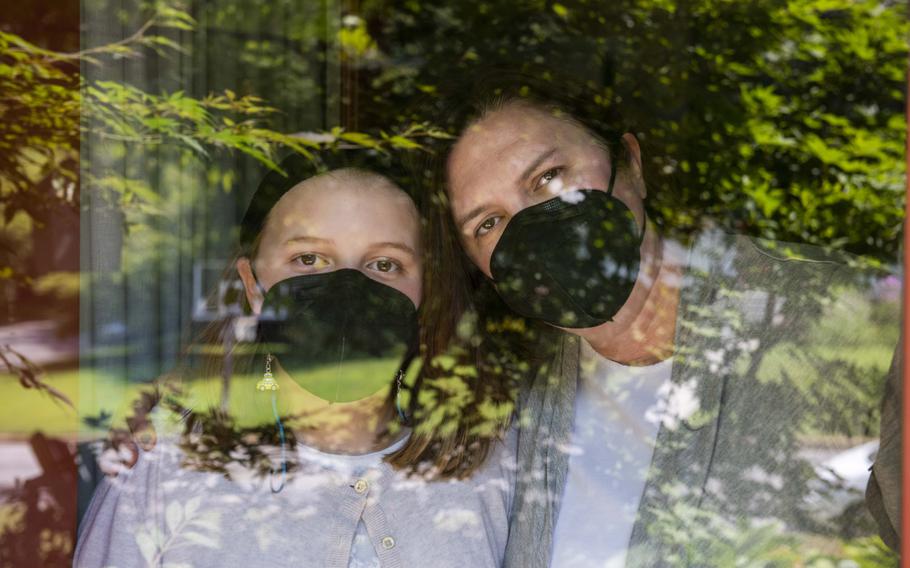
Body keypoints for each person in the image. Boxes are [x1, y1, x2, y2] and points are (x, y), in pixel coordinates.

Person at [425, 74, 899, 567]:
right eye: (488, 223)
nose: (530, 226)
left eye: (549, 177)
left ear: (630, 163)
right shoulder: (506, 406)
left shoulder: (851, 322)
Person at [74, 150, 517, 568]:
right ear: (252, 286)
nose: (346, 286)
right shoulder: (166, 465)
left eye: (384, 264)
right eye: (308, 258)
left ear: (426, 292)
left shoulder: (491, 464)